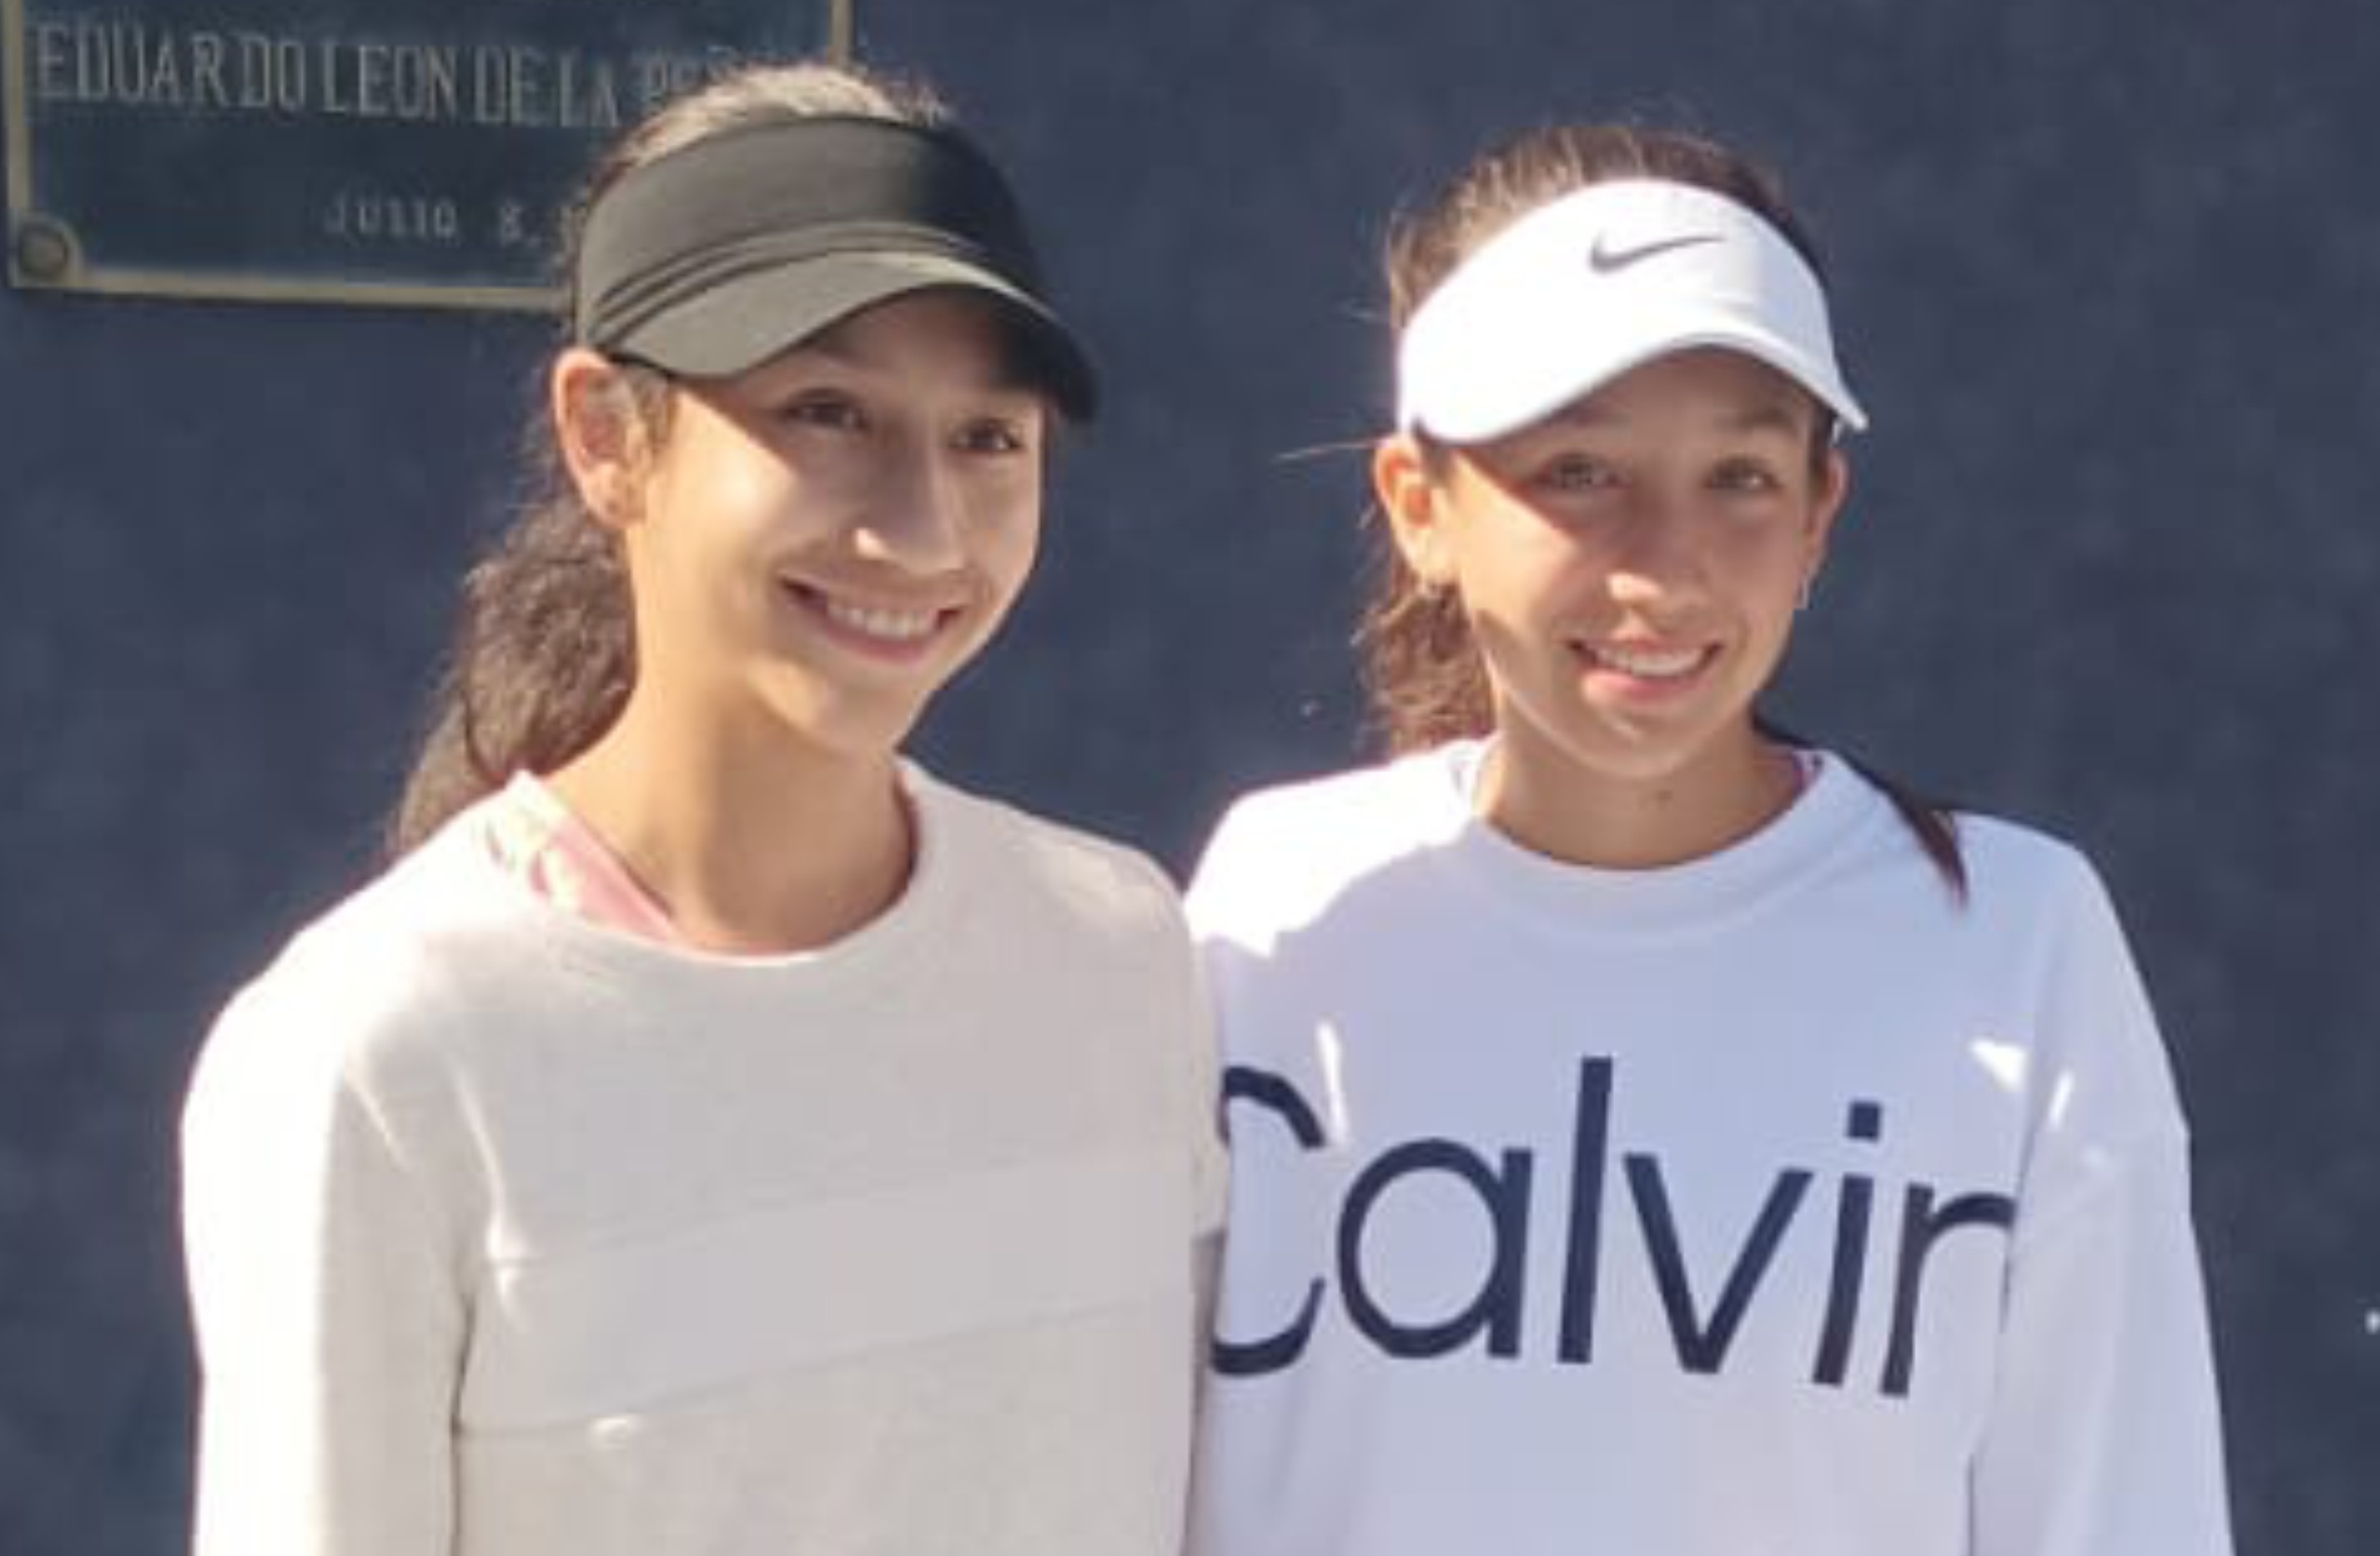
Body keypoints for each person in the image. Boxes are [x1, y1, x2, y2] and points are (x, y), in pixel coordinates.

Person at [181, 60, 1221, 1556]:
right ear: (608, 435)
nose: (922, 526)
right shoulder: (373, 1052)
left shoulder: (1122, 954)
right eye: (827, 412)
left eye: (989, 437)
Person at [1183, 124, 2233, 1555]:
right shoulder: (1273, 901)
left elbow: (2121, 1515)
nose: (1663, 568)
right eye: (1578, 470)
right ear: (1420, 507)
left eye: (1738, 477)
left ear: (1818, 516)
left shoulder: (2018, 941)